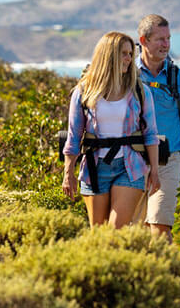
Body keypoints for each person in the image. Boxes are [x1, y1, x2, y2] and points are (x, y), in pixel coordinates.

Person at [62, 31, 160, 228]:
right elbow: (74, 136)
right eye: (124, 53)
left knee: (116, 230)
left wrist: (155, 171)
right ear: (109, 55)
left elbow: (150, 134)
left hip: (130, 167)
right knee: (98, 232)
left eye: (131, 54)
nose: (129, 59)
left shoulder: (140, 91)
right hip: (94, 168)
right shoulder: (84, 90)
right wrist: (68, 172)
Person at [136, 13, 180, 238]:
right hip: (132, 159)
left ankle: (168, 270)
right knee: (135, 231)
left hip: (168, 159)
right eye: (160, 39)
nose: (166, 45)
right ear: (143, 41)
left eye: (168, 39)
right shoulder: (126, 75)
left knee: (159, 226)